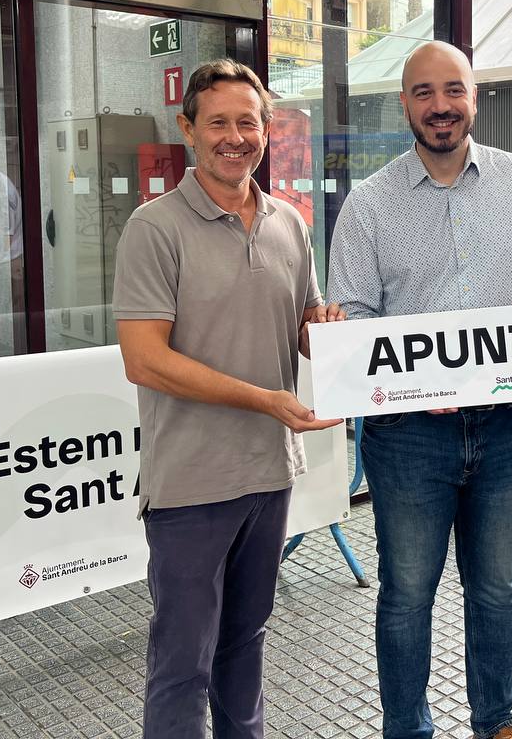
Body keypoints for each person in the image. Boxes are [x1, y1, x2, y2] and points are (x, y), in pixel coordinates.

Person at [328, 41, 512, 739]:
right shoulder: (369, 206)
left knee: (496, 587)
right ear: (404, 104)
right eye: (424, 93)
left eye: (453, 90)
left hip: (509, 424)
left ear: (474, 97)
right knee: (407, 593)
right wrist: (411, 385)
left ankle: (496, 723)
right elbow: (353, 314)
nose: (440, 106)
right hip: (409, 435)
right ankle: (407, 729)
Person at [113, 59, 343, 739]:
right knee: (182, 665)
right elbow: (144, 359)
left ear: (267, 131)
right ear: (188, 129)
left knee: (245, 647)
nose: (235, 137)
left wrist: (329, 332)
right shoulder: (154, 228)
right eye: (218, 123)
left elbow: (302, 329)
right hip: (190, 483)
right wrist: (265, 400)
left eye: (249, 122)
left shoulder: (289, 224)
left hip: (269, 472)